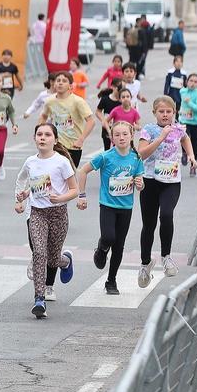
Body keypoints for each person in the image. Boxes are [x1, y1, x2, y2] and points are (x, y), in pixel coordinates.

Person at [13, 123, 77, 318]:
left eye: (47, 135)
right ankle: (39, 298)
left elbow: (74, 190)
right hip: (37, 214)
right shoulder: (31, 162)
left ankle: (65, 262)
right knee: (39, 253)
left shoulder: (62, 162)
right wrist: (21, 197)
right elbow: (23, 179)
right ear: (35, 139)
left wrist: (62, 198)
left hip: (58, 214)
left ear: (55, 140)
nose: (42, 137)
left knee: (52, 258)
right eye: (39, 134)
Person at [76, 122, 145, 295]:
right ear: (112, 138)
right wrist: (82, 195)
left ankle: (111, 280)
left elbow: (140, 181)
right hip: (107, 205)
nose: (121, 138)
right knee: (109, 237)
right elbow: (82, 171)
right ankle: (101, 249)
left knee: (119, 246)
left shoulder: (136, 158)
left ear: (131, 136)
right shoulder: (106, 157)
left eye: (125, 134)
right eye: (117, 135)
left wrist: (140, 183)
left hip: (126, 207)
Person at [136, 96, 197, 286]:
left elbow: (185, 139)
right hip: (150, 181)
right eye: (161, 111)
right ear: (154, 113)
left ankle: (166, 256)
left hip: (171, 181)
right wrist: (161, 137)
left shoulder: (179, 128)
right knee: (149, 224)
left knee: (167, 214)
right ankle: (145, 264)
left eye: (168, 111)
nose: (165, 115)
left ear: (174, 112)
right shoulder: (148, 130)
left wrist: (191, 156)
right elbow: (142, 153)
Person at [38, 71, 95, 167]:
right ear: (54, 84)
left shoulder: (78, 101)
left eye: (64, 81)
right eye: (58, 80)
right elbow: (43, 115)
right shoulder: (50, 101)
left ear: (70, 86)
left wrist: (81, 139)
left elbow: (91, 121)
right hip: (55, 145)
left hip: (73, 145)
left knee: (69, 177)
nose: (60, 83)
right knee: (54, 175)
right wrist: (39, 132)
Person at [179, 73, 197, 173]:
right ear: (186, 82)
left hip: (195, 123)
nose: (192, 83)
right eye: (191, 81)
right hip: (184, 121)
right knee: (184, 137)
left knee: (194, 145)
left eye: (195, 82)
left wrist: (190, 103)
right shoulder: (182, 91)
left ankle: (193, 165)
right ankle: (184, 153)